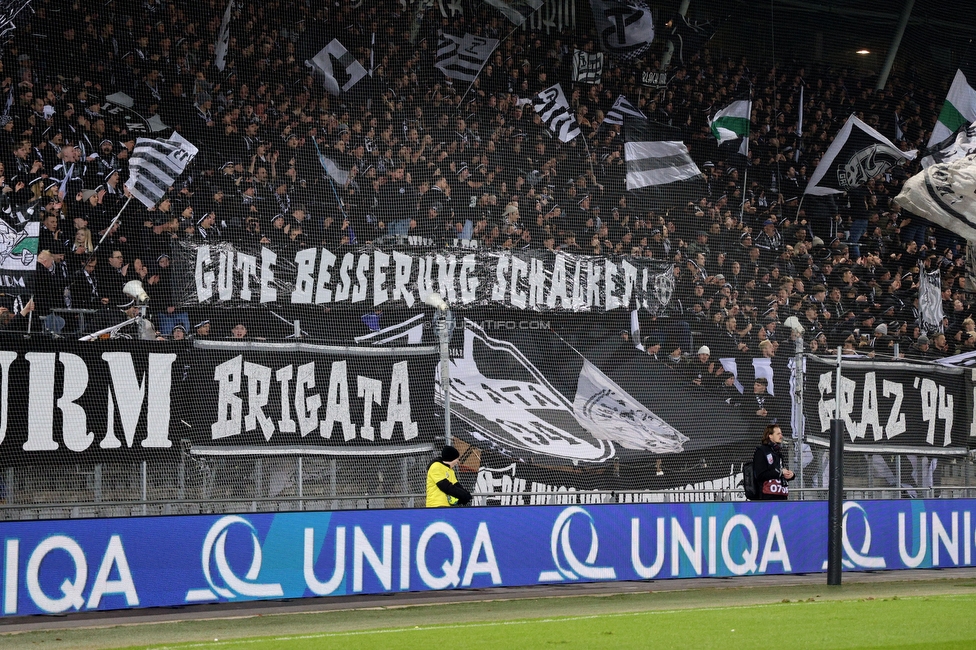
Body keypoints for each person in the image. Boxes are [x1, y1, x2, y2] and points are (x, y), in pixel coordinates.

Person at [752, 424, 793, 500]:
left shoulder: (778, 452)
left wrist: (790, 475)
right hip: (768, 497)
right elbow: (760, 475)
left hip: (782, 495)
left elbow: (779, 472)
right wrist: (780, 472)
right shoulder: (761, 451)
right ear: (770, 436)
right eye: (778, 434)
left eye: (781, 433)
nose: (781, 436)